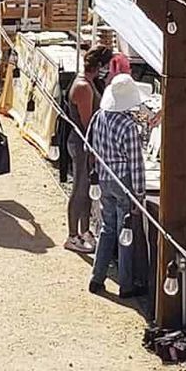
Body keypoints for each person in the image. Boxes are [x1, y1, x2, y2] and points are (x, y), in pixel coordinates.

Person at [88, 73, 147, 298]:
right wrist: (139, 194)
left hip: (104, 177)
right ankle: (126, 283)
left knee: (107, 228)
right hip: (123, 181)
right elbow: (136, 164)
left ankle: (97, 276)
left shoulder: (99, 116)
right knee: (126, 232)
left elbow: (89, 147)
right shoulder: (128, 126)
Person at [64, 46, 113, 254]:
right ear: (99, 66)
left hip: (88, 145)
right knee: (80, 189)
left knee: (87, 190)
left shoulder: (90, 82)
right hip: (82, 145)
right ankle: (72, 235)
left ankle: (84, 231)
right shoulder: (83, 87)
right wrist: (93, 149)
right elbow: (87, 124)